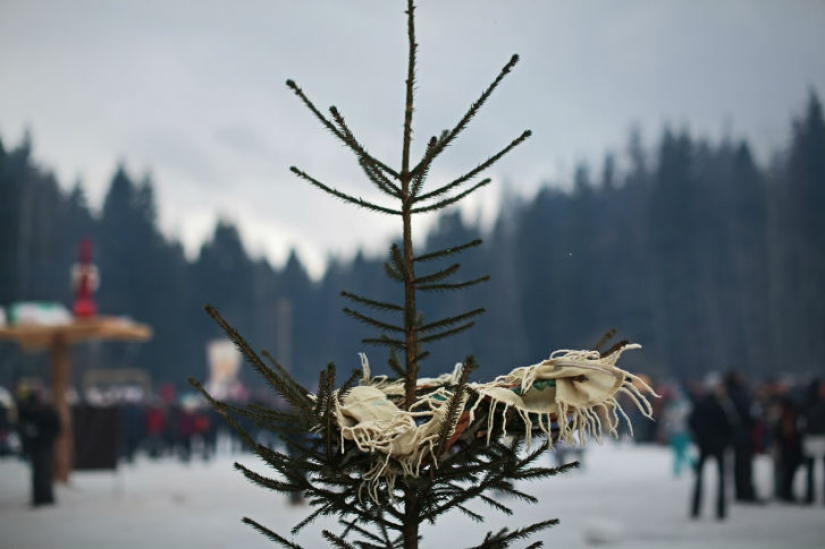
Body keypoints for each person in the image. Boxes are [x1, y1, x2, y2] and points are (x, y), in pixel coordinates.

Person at [688, 373, 733, 520]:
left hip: (704, 445)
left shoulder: (700, 405)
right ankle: (720, 510)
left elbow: (692, 423)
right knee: (721, 479)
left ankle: (695, 509)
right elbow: (728, 426)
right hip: (718, 445)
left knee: (699, 478)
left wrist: (699, 437)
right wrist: (725, 441)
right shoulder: (720, 407)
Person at [17, 389, 62, 506]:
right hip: (37, 446)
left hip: (44, 445)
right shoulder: (33, 412)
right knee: (39, 473)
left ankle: (45, 497)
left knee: (44, 472)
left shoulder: (47, 412)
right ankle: (39, 497)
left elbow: (57, 428)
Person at [724, 369, 760, 503]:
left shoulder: (729, 394)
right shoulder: (740, 394)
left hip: (735, 434)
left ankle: (741, 492)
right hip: (744, 433)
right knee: (745, 465)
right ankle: (746, 492)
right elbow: (748, 413)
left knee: (739, 465)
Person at [800, 378, 825, 505]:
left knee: (810, 469)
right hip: (822, 437)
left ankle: (809, 495)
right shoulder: (823, 402)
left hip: (809, 438)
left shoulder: (805, 403)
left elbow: (801, 422)